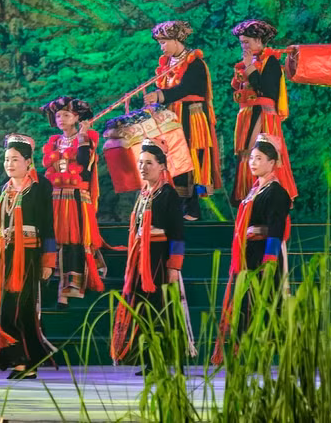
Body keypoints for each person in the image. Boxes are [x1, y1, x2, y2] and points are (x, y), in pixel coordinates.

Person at [0, 134, 57, 379]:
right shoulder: (3, 190)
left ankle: (26, 363)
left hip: (29, 256)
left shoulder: (40, 188)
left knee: (21, 310)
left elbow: (48, 224)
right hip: (4, 258)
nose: (9, 164)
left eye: (15, 159)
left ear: (28, 162)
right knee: (3, 312)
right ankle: (21, 360)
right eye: (6, 159)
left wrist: (48, 261)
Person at [110, 138, 194, 372]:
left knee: (161, 309)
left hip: (158, 260)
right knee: (144, 309)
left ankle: (167, 358)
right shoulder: (145, 194)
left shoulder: (167, 194)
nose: (143, 167)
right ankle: (149, 359)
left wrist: (174, 266)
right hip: (141, 260)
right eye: (140, 162)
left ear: (162, 166)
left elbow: (177, 233)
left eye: (149, 163)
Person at [212, 134, 291, 364]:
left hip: (263, 254)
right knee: (244, 303)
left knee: (262, 303)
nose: (253, 163)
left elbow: (276, 230)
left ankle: (264, 354)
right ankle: (246, 353)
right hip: (248, 254)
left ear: (272, 162)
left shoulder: (276, 192)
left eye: (258, 158)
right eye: (251, 158)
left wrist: (269, 261)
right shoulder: (255, 190)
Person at [143, 20, 222, 220]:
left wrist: (160, 96)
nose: (162, 47)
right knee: (172, 159)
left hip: (191, 116)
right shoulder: (169, 63)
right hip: (173, 117)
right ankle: (174, 206)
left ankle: (191, 209)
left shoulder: (194, 62)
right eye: (160, 43)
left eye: (164, 42)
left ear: (177, 40)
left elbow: (185, 89)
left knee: (189, 157)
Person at [40, 97, 107, 305]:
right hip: (56, 196)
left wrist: (84, 135)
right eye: (58, 115)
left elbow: (83, 162)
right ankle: (56, 283)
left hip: (77, 197)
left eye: (66, 115)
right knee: (55, 237)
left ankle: (73, 285)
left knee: (75, 238)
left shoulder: (86, 138)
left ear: (77, 117)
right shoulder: (55, 142)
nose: (61, 119)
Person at [229, 20, 297, 205]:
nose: (244, 46)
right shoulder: (248, 62)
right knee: (246, 153)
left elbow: (267, 90)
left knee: (260, 152)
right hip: (247, 114)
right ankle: (247, 194)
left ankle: (267, 195)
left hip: (263, 116)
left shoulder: (271, 61)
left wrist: (249, 67)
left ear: (259, 40)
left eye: (246, 42)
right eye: (241, 42)